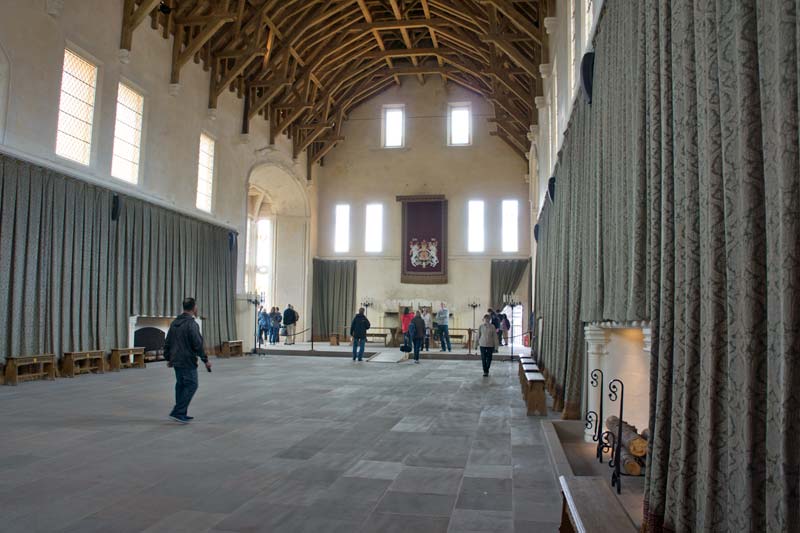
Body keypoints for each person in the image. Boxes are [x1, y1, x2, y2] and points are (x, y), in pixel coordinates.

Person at [164, 297, 211, 423]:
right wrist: (205, 360)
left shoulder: (175, 323)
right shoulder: (191, 324)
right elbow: (198, 344)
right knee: (192, 385)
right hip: (187, 360)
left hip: (176, 360)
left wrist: (168, 357)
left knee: (181, 385)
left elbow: (168, 341)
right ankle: (178, 412)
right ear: (194, 307)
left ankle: (181, 412)